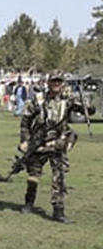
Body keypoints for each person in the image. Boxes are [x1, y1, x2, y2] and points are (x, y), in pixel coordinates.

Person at [18, 72, 79, 223]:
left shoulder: (69, 100)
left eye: (59, 81)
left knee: (60, 177)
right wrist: (25, 140)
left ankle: (58, 211)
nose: (56, 84)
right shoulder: (38, 100)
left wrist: (86, 105)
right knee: (33, 174)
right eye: (54, 81)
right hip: (39, 143)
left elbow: (87, 110)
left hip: (58, 143)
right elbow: (25, 121)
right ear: (48, 82)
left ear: (63, 83)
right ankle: (29, 203)